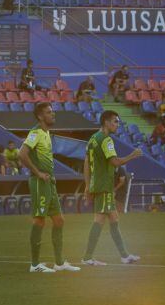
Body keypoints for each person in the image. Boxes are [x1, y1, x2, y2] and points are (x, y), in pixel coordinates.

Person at [21, 103, 79, 273]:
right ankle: (35, 264)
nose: (53, 114)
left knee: (59, 220)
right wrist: (38, 173)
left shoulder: (46, 133)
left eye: (53, 111)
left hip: (49, 182)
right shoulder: (35, 133)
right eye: (49, 112)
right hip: (40, 182)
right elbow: (21, 154)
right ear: (40, 116)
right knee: (39, 219)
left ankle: (59, 263)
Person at [81, 111, 143, 267]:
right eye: (115, 121)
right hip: (104, 185)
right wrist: (132, 155)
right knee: (99, 220)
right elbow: (115, 162)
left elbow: (86, 164)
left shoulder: (93, 139)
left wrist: (88, 186)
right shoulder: (106, 140)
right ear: (107, 122)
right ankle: (88, 257)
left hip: (99, 184)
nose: (117, 124)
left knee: (113, 218)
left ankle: (124, 255)